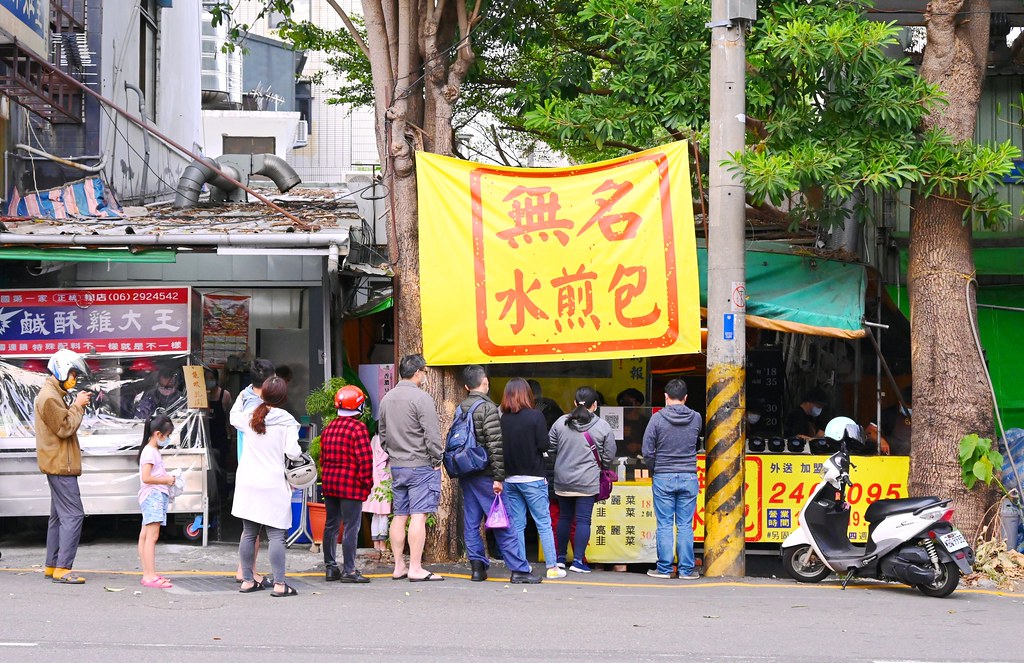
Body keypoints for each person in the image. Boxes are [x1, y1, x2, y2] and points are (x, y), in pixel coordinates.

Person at [456, 366, 542, 584]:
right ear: (485, 381)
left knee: (472, 522)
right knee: (502, 520)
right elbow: (495, 446)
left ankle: (477, 567)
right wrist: (498, 477)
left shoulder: (460, 408)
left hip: (467, 473)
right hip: (486, 474)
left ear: (467, 386)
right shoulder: (488, 409)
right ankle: (519, 570)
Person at [230, 376, 304, 597]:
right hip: (273, 483)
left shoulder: (250, 416)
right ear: (283, 396)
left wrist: (242, 395)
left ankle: (247, 581)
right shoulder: (287, 420)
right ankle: (280, 585)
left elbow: (233, 416)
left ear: (261, 394)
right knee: (276, 536)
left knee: (249, 533)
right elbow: (293, 452)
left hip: (248, 482)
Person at [378, 354, 444, 582]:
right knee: (418, 515)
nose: (425, 375)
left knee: (399, 515)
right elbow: (432, 435)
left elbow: (383, 436)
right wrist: (437, 459)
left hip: (398, 466)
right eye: (424, 372)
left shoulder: (387, 398)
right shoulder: (422, 398)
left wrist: (395, 455)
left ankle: (399, 566)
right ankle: (415, 567)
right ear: (417, 372)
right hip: (420, 465)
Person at [34, 349, 92, 584]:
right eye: (73, 373)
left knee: (58, 517)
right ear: (61, 369)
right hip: (60, 465)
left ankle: (52, 566)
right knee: (74, 515)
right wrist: (77, 405)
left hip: (57, 463)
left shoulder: (53, 394)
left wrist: (76, 405)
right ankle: (63, 569)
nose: (74, 379)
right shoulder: (49, 397)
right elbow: (64, 428)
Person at [500, 378, 564, 580]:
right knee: (543, 523)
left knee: (517, 524)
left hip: (510, 479)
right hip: (533, 478)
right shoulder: (536, 417)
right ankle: (552, 567)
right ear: (528, 394)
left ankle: (521, 566)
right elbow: (544, 445)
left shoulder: (504, 419)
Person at [549, 386, 616, 574]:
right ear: (595, 405)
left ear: (574, 403)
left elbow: (551, 449)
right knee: (583, 521)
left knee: (564, 517)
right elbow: (609, 455)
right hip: (587, 481)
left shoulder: (560, 423)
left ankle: (560, 558)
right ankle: (578, 561)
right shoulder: (602, 426)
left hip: (562, 480)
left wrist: (562, 463)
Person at [641, 379, 702, 580]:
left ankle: (665, 569)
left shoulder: (657, 419)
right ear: (686, 398)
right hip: (688, 476)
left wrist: (655, 469)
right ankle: (686, 570)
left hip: (663, 476)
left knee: (665, 524)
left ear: (665, 397)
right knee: (685, 525)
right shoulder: (696, 418)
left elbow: (647, 451)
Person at [320, 385, 374, 583]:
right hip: (351, 485)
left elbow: (323, 460)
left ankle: (330, 567)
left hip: (330, 483)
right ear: (359, 406)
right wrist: (367, 484)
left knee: (331, 525)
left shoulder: (329, 428)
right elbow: (365, 461)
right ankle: (350, 570)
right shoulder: (358, 428)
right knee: (352, 527)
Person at [233, 358, 276, 584]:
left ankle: (246, 569)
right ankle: (246, 571)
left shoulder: (242, 397)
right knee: (254, 529)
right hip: (260, 468)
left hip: (246, 467)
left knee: (251, 527)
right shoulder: (263, 407)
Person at [137, 414, 178, 589]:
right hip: (153, 496)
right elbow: (147, 477)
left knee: (145, 536)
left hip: (150, 496)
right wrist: (167, 480)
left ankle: (148, 573)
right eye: (167, 436)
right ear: (158, 434)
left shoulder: (149, 450)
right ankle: (150, 575)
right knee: (152, 537)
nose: (167, 439)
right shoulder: (150, 452)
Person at [204, 367, 234, 502]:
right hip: (204, 434)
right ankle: (208, 495)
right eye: (206, 378)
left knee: (221, 466)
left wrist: (231, 435)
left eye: (211, 378)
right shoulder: (200, 394)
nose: (208, 381)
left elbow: (229, 417)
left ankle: (222, 496)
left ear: (216, 379)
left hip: (220, 435)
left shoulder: (225, 395)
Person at [362, 432, 392, 553]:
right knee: (384, 513)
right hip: (382, 481)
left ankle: (376, 544)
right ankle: (383, 545)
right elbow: (382, 462)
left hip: (373, 480)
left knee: (376, 514)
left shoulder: (374, 438)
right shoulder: (384, 439)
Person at [879, 387, 912, 456]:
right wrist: (881, 441)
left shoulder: (924, 415)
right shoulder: (889, 414)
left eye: (911, 408)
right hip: (895, 458)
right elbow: (870, 431)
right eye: (907, 407)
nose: (909, 410)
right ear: (900, 402)